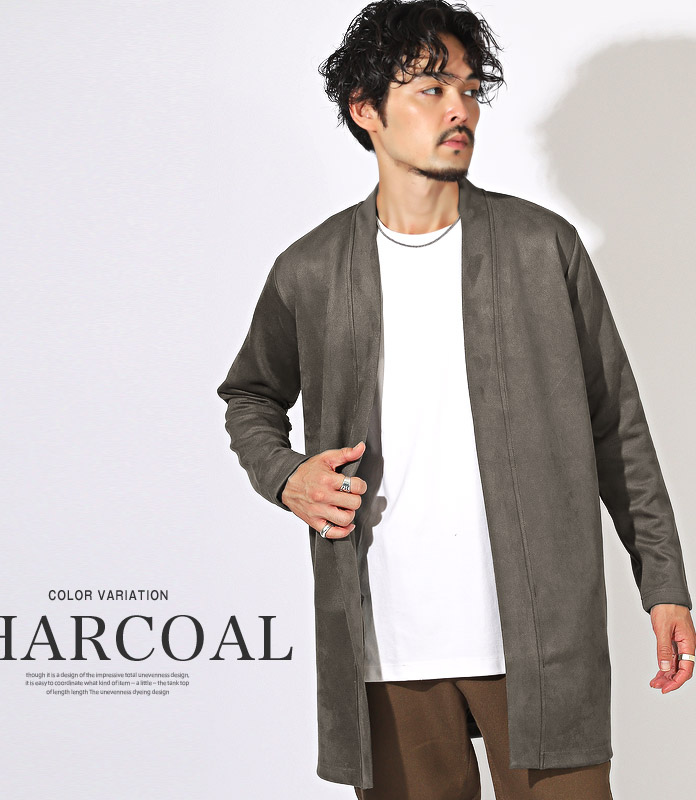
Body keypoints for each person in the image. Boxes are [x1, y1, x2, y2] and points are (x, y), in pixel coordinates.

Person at [216, 1, 695, 797]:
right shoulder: (312, 269)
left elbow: (617, 427)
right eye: (432, 89)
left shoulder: (542, 247)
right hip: (387, 646)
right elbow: (250, 395)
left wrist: (665, 583)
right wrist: (286, 475)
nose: (460, 110)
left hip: (541, 642)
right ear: (365, 110)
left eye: (470, 90)